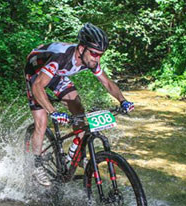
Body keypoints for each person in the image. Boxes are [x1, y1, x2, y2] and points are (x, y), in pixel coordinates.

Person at [24, 23, 134, 186]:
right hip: (36, 73)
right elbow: (37, 86)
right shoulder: (61, 57)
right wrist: (53, 111)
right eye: (94, 54)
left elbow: (108, 83)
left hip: (57, 74)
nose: (97, 59)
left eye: (100, 55)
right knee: (42, 122)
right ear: (81, 49)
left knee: (78, 109)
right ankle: (37, 164)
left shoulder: (91, 60)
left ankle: (77, 154)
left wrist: (123, 101)